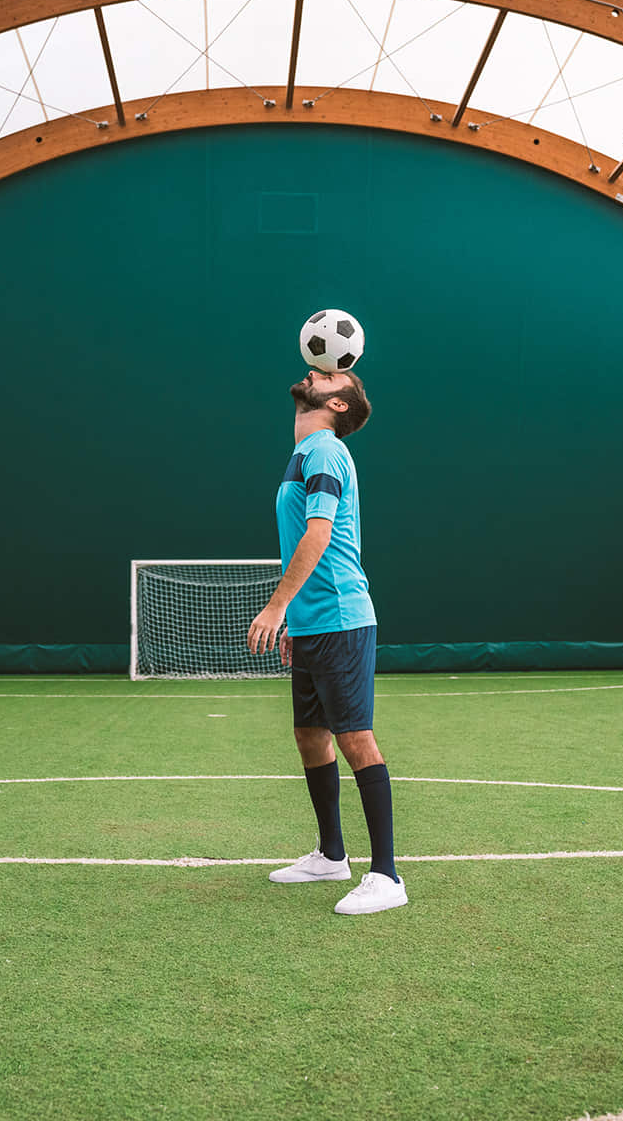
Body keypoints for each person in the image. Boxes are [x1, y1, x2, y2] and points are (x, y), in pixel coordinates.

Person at [247, 367, 407, 916]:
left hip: (341, 615)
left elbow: (318, 533)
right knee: (310, 736)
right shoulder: (305, 452)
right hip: (316, 622)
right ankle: (331, 854)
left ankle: (386, 876)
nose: (315, 371)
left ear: (338, 404)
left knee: (355, 737)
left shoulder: (325, 451)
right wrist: (298, 619)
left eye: (331, 373)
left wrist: (276, 606)